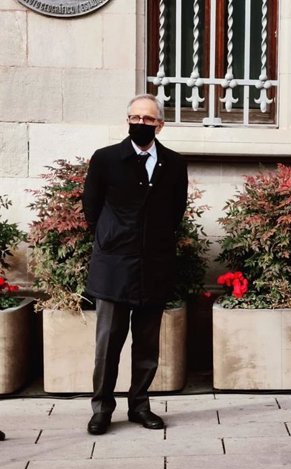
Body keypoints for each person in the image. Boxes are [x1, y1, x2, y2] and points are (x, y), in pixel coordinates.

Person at [82, 94, 188, 435]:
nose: (140, 124)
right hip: (114, 266)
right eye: (135, 118)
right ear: (128, 120)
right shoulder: (106, 159)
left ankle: (139, 406)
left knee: (147, 345)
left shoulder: (173, 163)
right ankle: (102, 409)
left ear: (160, 124)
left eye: (148, 119)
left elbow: (176, 211)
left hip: (153, 266)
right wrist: (113, 238)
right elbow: (91, 209)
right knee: (108, 344)